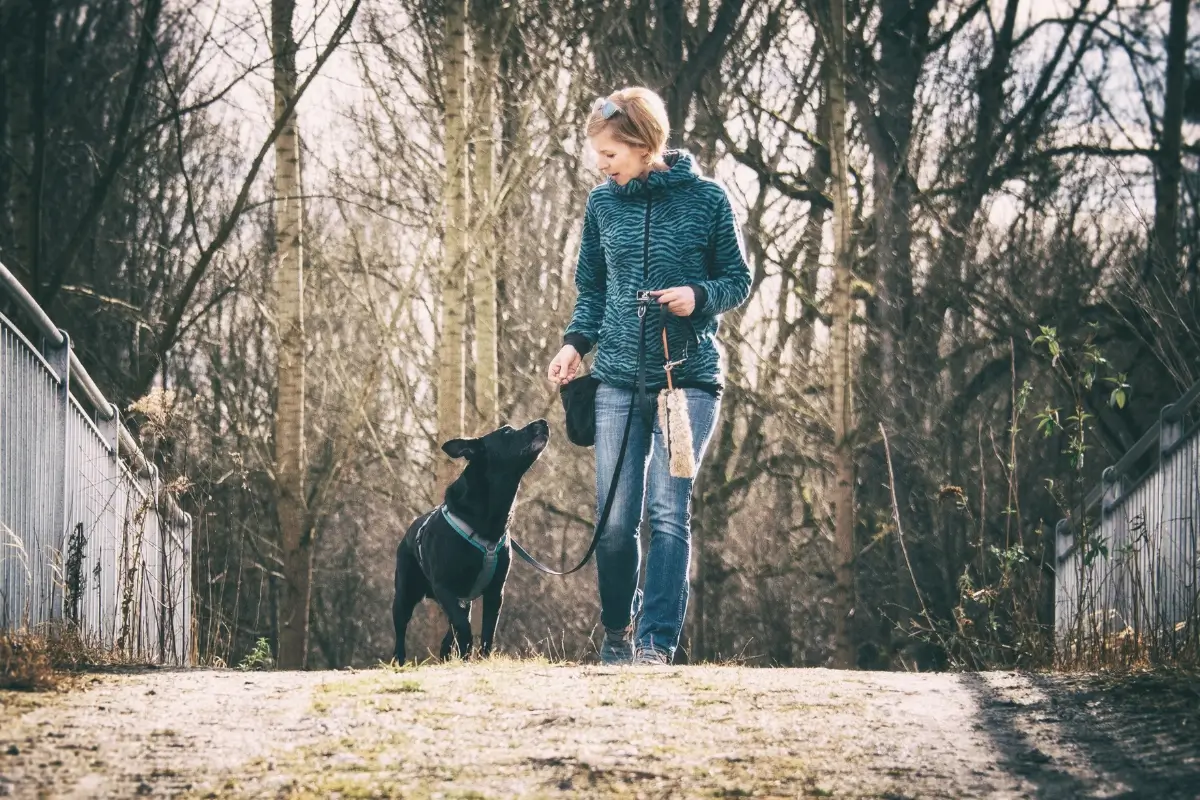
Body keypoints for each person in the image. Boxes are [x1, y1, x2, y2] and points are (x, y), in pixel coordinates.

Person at [546, 87, 752, 665]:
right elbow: (592, 289)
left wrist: (697, 295)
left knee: (667, 512)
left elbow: (737, 279)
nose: (601, 165)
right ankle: (616, 636)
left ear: (643, 144)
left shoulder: (708, 199)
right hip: (613, 379)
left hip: (687, 380)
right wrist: (573, 345)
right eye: (599, 155)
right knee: (614, 521)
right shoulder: (602, 206)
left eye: (610, 154)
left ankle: (656, 644)